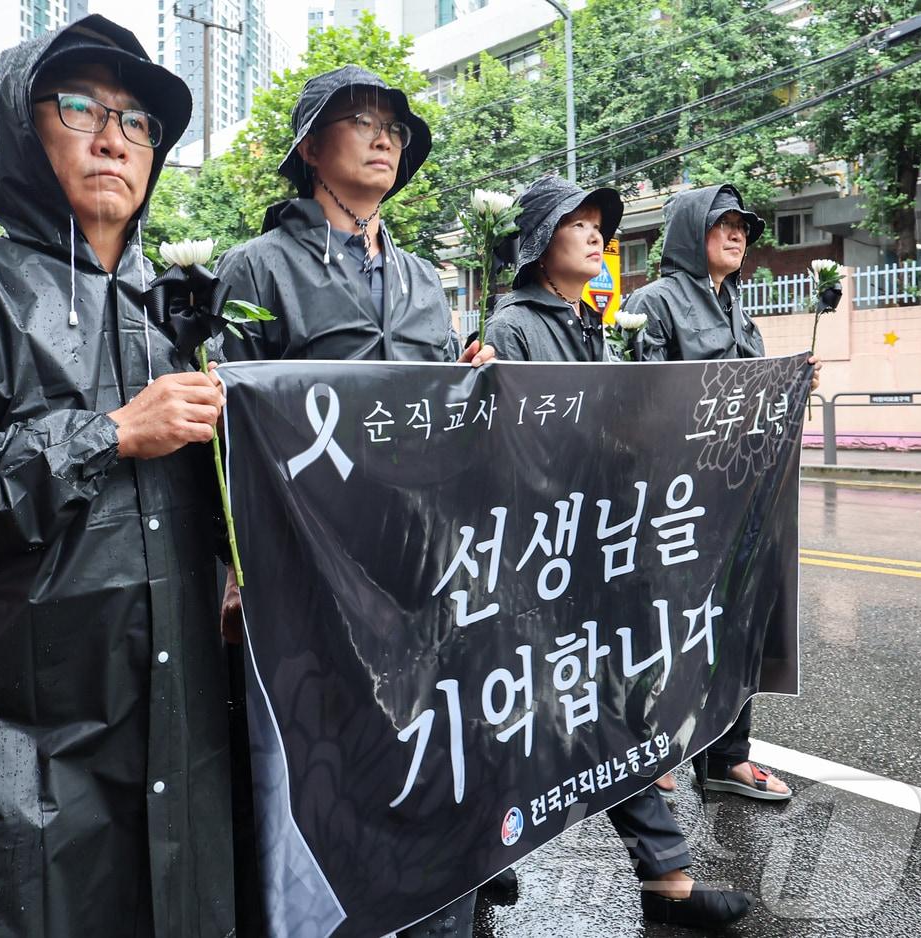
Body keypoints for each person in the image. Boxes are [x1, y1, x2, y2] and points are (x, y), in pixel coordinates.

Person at [0, 16, 233, 936]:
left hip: (172, 707)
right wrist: (107, 434)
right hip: (7, 729)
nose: (114, 137)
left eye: (138, 121)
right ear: (25, 132)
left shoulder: (178, 316)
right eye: (81, 109)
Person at [215, 65, 495, 938]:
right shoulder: (255, 268)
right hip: (304, 565)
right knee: (318, 757)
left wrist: (470, 384)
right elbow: (225, 425)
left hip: (414, 559)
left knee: (420, 736)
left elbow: (435, 414)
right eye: (361, 122)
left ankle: (429, 901)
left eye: (395, 128)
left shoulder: (419, 277)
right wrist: (232, 569)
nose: (385, 137)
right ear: (309, 148)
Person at [483, 175, 754, 929]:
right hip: (542, 556)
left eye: (599, 222)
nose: (597, 234)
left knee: (600, 706)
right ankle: (485, 858)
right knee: (530, 713)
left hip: (594, 548)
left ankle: (662, 878)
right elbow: (513, 448)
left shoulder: (588, 322)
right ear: (540, 242)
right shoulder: (514, 328)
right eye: (577, 222)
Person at [622, 183, 820, 802]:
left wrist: (794, 388)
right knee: (669, 628)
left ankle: (729, 757)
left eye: (742, 226)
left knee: (734, 624)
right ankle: (653, 748)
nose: (737, 235)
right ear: (690, 232)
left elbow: (757, 397)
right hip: (677, 500)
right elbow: (641, 397)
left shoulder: (739, 309)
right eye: (723, 224)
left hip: (739, 496)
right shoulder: (651, 303)